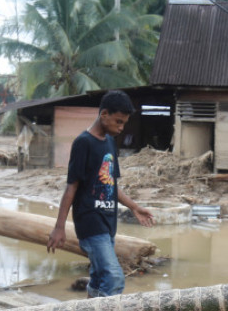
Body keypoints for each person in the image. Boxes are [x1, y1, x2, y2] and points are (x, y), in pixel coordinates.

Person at [48, 90, 154, 297]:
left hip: (108, 223)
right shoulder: (83, 143)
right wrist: (59, 227)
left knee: (98, 278)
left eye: (124, 123)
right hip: (90, 222)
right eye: (118, 122)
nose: (121, 128)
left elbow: (110, 185)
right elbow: (71, 187)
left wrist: (134, 207)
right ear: (103, 114)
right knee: (114, 278)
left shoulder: (109, 143)